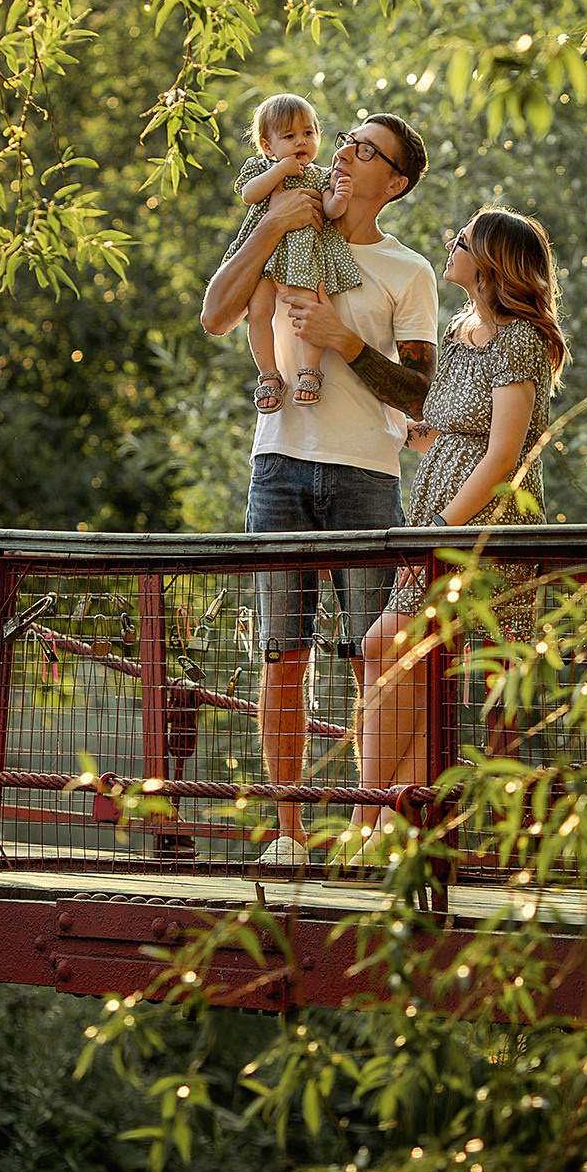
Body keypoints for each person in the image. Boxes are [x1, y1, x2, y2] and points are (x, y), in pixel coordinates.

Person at [201, 114, 439, 866]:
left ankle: (371, 831)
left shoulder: (409, 271)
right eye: (346, 140)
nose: (342, 153)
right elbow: (216, 315)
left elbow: (423, 394)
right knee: (283, 657)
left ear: (394, 182)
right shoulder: (286, 222)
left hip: (366, 475)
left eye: (365, 150)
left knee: (376, 660)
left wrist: (346, 341)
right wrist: (271, 223)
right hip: (278, 469)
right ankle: (290, 833)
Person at [348, 208, 569, 858]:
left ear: (491, 264)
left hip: (482, 524)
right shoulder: (458, 327)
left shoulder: (519, 339)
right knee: (413, 665)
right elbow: (449, 430)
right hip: (437, 510)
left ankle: (369, 818)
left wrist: (439, 530)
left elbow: (502, 455)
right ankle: (399, 830)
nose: (452, 244)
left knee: (387, 645)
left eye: (464, 240)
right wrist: (411, 434)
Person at [229, 93, 360, 410]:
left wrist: (340, 198)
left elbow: (329, 211)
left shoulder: (319, 175)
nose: (301, 141)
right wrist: (280, 170)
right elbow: (249, 194)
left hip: (302, 255)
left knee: (307, 308)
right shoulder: (261, 169)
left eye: (308, 133)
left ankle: (310, 370)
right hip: (263, 255)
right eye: (289, 136)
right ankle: (269, 375)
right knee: (259, 311)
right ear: (268, 147)